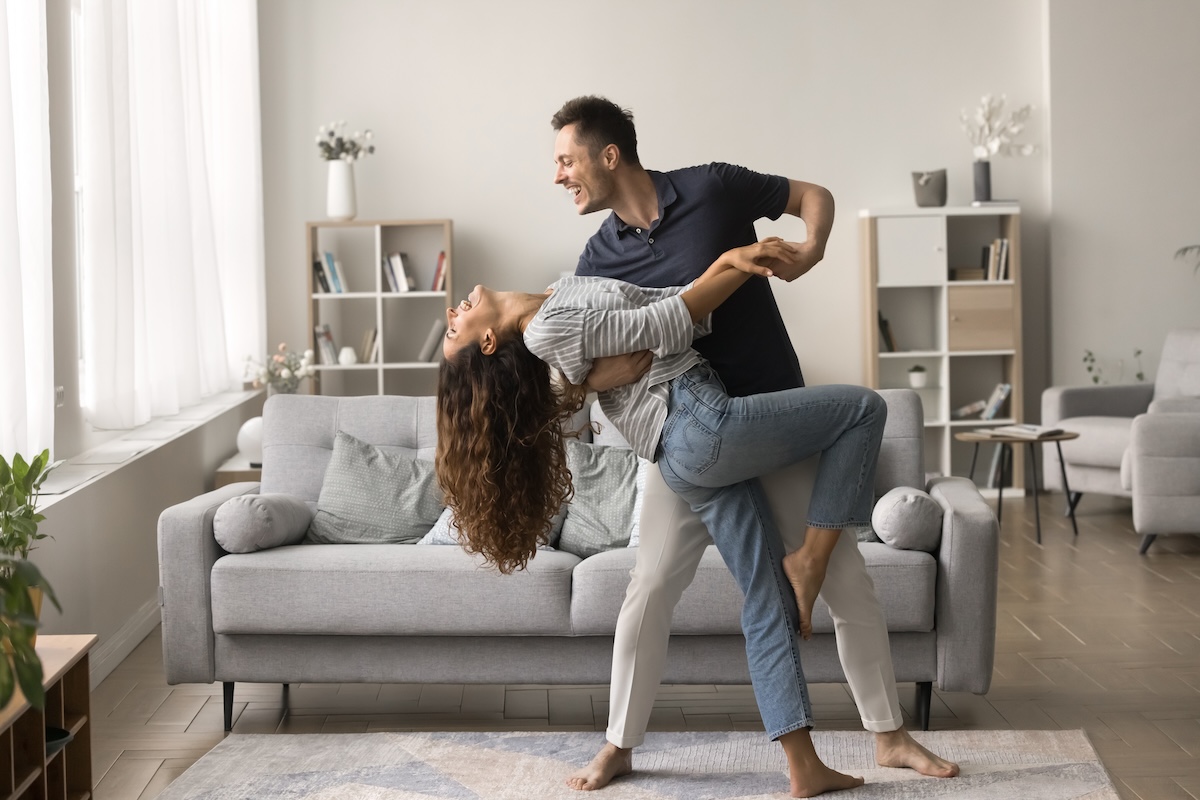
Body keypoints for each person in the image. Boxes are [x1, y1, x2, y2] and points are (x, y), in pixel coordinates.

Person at [546, 95, 959, 791]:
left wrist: (813, 247)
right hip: (686, 437)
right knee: (648, 587)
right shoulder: (598, 257)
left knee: (849, 582)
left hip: (769, 417)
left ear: (608, 154)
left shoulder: (709, 187)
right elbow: (581, 366)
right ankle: (619, 743)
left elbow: (811, 195)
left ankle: (889, 736)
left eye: (566, 160)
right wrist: (608, 370)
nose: (559, 176)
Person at [436, 247, 878, 796]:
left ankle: (803, 765)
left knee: (766, 593)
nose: (452, 314)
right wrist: (734, 264)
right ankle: (813, 557)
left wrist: (600, 371)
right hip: (697, 421)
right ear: (485, 342)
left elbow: (658, 315)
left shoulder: (557, 297)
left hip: (681, 451)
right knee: (864, 409)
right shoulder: (544, 328)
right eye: (454, 330)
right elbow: (664, 321)